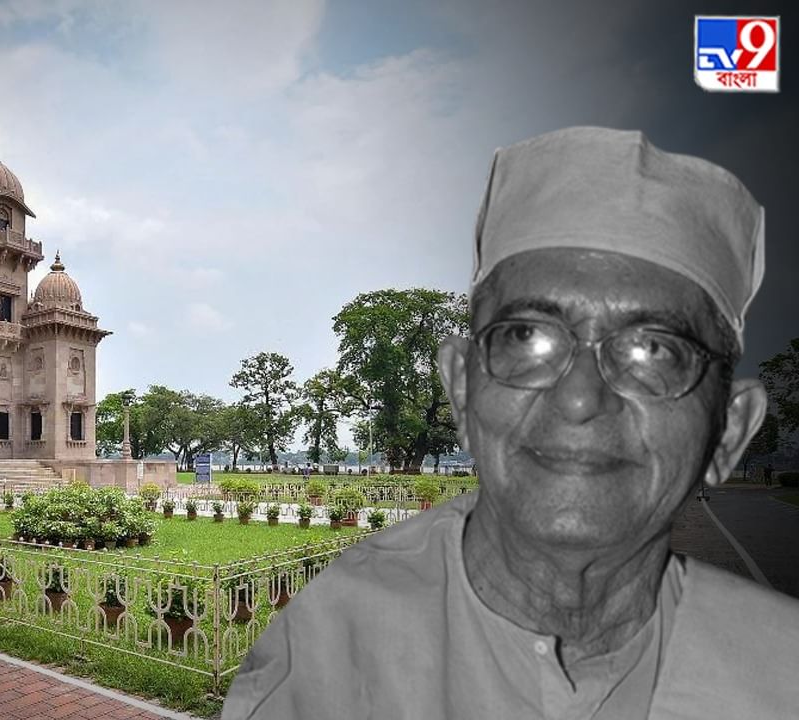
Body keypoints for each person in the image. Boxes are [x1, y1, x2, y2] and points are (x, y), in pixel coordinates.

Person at [222, 127, 799, 718]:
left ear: (729, 430)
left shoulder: (781, 674)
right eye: (527, 336)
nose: (579, 399)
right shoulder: (322, 666)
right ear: (463, 387)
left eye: (654, 350)